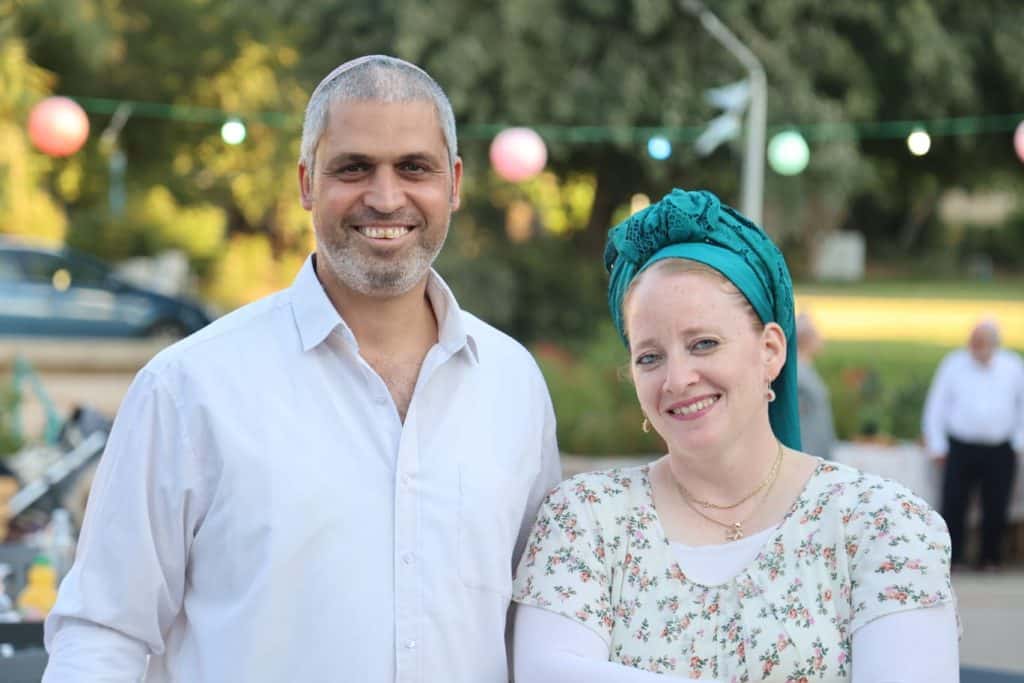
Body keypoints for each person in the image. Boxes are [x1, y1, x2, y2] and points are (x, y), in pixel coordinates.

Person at [43, 55, 561, 683]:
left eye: (413, 167)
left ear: (453, 183)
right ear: (307, 182)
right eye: (354, 168)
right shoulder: (188, 387)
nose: (385, 197)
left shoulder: (512, 384)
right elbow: (104, 631)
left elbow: (539, 625)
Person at [511, 189, 958, 682]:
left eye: (704, 343)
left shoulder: (878, 523)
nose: (677, 379)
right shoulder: (588, 519)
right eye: (650, 357)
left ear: (771, 350)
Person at [922, 319, 1024, 571]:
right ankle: (953, 557)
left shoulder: (1012, 366)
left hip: (1000, 448)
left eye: (983, 342)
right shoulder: (953, 364)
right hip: (961, 446)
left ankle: (990, 558)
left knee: (996, 504)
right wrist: (937, 444)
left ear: (995, 343)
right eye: (974, 341)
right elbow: (937, 405)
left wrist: (1019, 441)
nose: (977, 347)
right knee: (954, 502)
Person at [795, 312, 836, 460]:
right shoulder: (798, 371)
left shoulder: (806, 367)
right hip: (807, 449)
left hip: (817, 447)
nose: (821, 339)